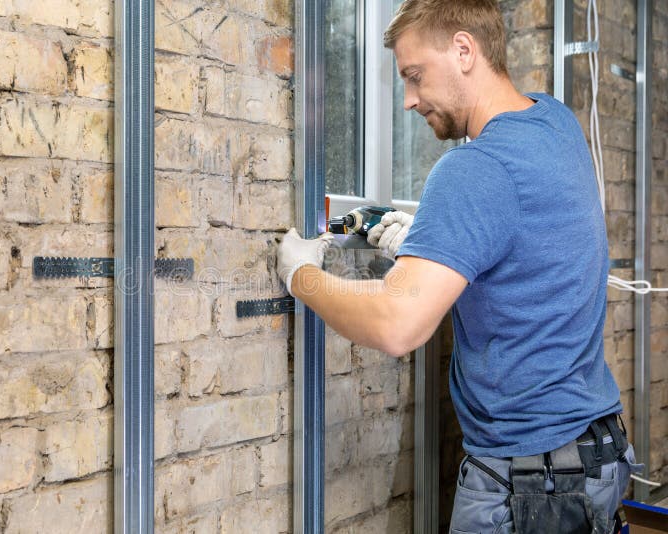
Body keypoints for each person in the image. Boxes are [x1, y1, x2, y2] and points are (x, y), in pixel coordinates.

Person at [276, 0, 644, 532]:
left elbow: (397, 324)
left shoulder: (474, 168)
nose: (408, 100)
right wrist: (436, 242)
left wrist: (300, 275)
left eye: (414, 76)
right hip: (597, 456)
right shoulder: (555, 122)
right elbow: (530, 243)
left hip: (529, 486)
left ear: (464, 50)